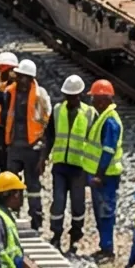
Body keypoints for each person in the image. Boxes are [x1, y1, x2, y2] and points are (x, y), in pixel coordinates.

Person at [0, 58, 48, 226]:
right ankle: (11, 215)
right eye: (17, 76)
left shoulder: (40, 96)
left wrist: (43, 155)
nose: (17, 79)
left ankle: (36, 219)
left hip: (31, 147)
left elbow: (46, 126)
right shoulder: (11, 92)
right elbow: (0, 97)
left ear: (29, 78)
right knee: (11, 182)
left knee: (33, 186)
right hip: (13, 146)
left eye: (21, 76)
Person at [46, 75, 93, 250]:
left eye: (73, 96)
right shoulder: (58, 110)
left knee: (78, 203)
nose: (70, 99)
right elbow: (50, 135)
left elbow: (94, 141)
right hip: (60, 165)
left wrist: (93, 168)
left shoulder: (89, 113)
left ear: (80, 95)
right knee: (58, 201)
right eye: (68, 96)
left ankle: (76, 235)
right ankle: (56, 234)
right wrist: (43, 158)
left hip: (79, 168)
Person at [87, 80, 125, 261]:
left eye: (93, 98)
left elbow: (108, 150)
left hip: (106, 176)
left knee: (106, 212)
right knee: (100, 211)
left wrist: (99, 175)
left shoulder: (110, 121)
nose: (91, 102)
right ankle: (104, 247)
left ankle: (108, 250)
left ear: (102, 100)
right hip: (101, 175)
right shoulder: (103, 117)